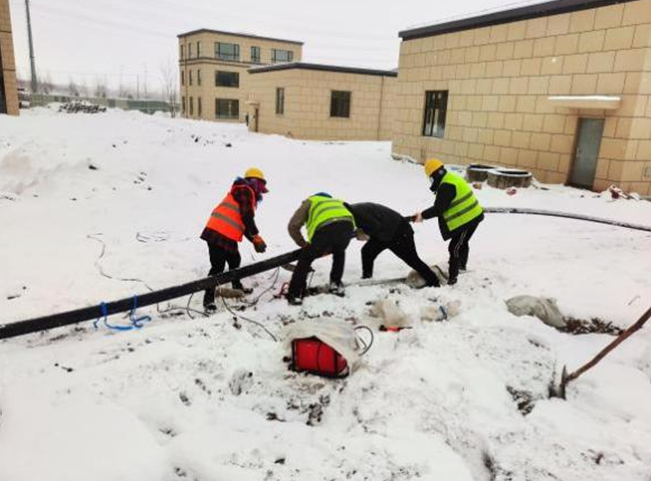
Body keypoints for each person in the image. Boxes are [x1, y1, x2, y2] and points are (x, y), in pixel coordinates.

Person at [201, 168, 268, 312]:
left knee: (234, 260)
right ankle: (208, 300)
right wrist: (256, 236)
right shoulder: (245, 190)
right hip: (218, 231)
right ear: (254, 182)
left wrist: (254, 240)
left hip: (226, 233)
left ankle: (237, 287)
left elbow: (243, 224)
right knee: (217, 267)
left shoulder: (243, 193)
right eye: (260, 186)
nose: (261, 191)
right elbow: (247, 217)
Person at [411, 159, 484, 285]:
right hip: (471, 216)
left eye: (431, 178)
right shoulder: (449, 178)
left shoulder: (447, 185)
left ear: (434, 175)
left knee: (454, 247)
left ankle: (453, 277)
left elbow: (439, 208)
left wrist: (422, 215)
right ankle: (461, 265)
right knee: (462, 242)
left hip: (468, 219)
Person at [345, 202, 440, 287]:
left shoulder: (358, 213)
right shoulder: (353, 211)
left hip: (400, 233)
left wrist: (364, 233)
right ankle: (367, 278)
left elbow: (375, 226)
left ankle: (434, 282)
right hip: (385, 233)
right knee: (367, 251)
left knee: (412, 260)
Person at [286, 193, 355, 305]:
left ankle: (295, 294)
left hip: (326, 229)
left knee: (306, 258)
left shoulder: (311, 201)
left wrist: (302, 243)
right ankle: (336, 285)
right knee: (339, 252)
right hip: (347, 226)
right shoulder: (337, 201)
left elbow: (293, 226)